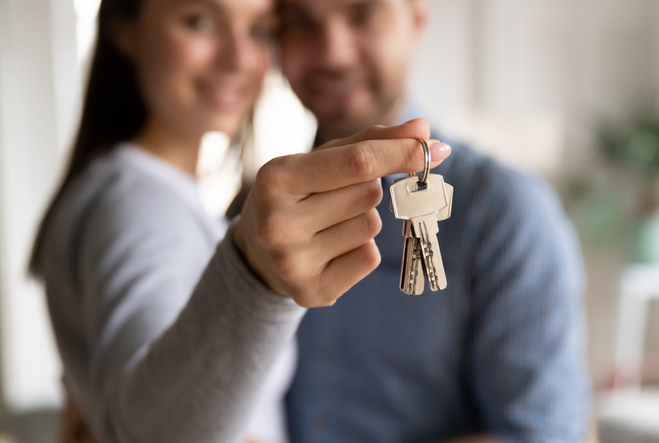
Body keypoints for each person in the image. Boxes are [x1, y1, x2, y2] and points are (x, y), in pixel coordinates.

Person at [30, 0, 450, 441]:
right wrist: (254, 279)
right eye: (201, 21)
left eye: (259, 30)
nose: (240, 59)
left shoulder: (155, 194)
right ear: (124, 27)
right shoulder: (137, 206)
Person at [276, 0, 592, 441]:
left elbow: (542, 434)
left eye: (363, 14)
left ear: (416, 19)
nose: (333, 54)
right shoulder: (256, 215)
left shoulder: (505, 212)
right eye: (300, 23)